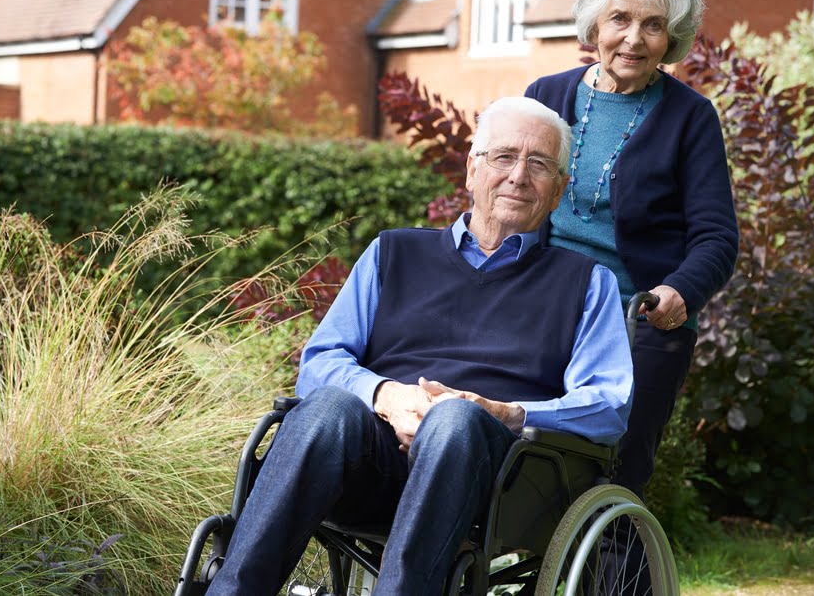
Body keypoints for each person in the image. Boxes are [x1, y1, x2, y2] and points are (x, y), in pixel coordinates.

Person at [203, 96, 634, 596]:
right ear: (472, 170)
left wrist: (507, 411)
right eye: (503, 157)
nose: (518, 175)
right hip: (374, 464)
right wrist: (389, 397)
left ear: (558, 191)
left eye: (539, 164)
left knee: (454, 420)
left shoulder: (585, 283)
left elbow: (609, 404)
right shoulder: (393, 252)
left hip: (501, 480)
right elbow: (320, 361)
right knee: (326, 409)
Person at [524, 0, 739, 503]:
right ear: (595, 22)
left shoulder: (690, 117)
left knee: (613, 477)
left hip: (637, 319)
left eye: (654, 25)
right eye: (620, 19)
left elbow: (717, 236)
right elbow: (503, 200)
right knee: (515, 457)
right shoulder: (545, 98)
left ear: (673, 37)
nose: (634, 39)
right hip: (541, 308)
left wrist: (680, 291)